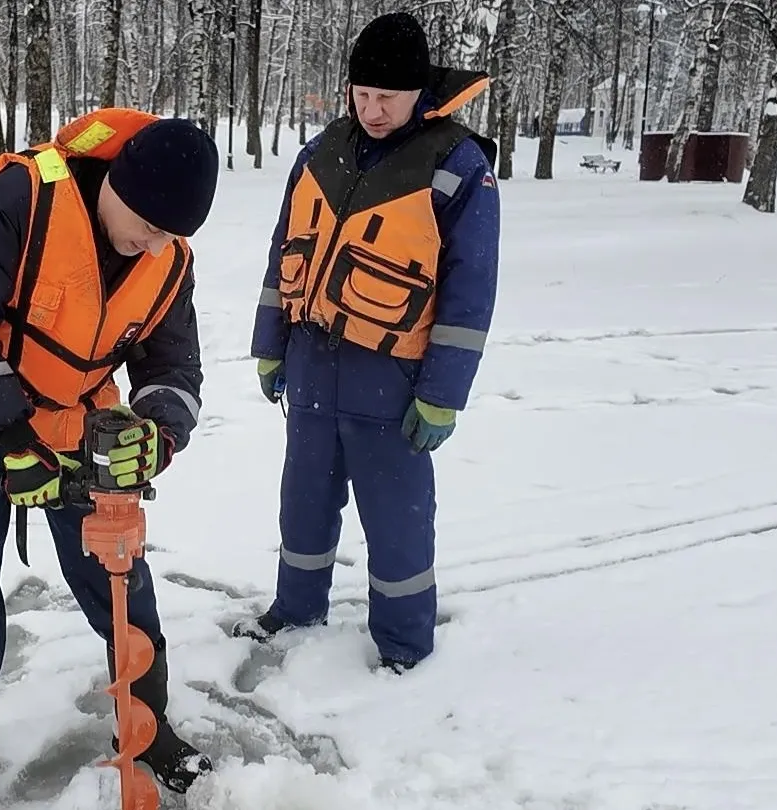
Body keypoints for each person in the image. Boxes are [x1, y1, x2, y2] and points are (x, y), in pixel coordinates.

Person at [0, 107, 219, 810]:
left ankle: (149, 724)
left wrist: (156, 435)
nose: (150, 243)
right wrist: (13, 441)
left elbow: (174, 368)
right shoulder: (26, 195)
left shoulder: (167, 259)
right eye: (146, 222)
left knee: (121, 576)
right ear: (116, 180)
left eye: (170, 234)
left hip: (79, 428)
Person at [234, 11, 500, 673]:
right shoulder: (322, 150)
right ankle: (296, 610)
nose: (373, 110)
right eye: (362, 95)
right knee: (304, 504)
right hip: (311, 364)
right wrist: (271, 343)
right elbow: (285, 251)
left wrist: (442, 396)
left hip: (392, 379)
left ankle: (405, 643)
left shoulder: (458, 165)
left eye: (389, 97)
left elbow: (472, 291)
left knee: (397, 522)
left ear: (420, 93)